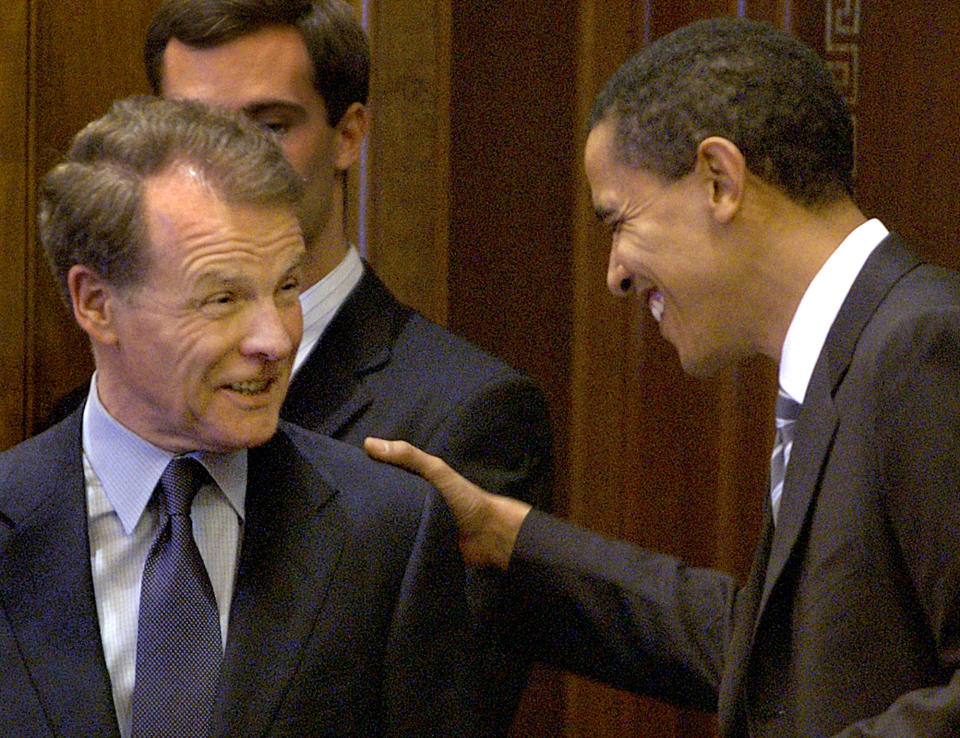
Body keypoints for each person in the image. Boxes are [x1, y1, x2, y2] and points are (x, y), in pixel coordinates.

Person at [366, 16, 960, 737]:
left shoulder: (923, 345)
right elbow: (762, 651)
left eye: (619, 221)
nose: (615, 273)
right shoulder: (857, 360)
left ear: (719, 179)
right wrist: (501, 534)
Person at [0, 95, 495, 737]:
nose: (277, 339)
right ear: (96, 303)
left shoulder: (387, 532)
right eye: (224, 297)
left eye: (287, 288)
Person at [140, 2, 552, 728]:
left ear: (347, 135)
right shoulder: (112, 401)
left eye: (269, 126)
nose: (230, 163)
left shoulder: (466, 413)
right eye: (196, 130)